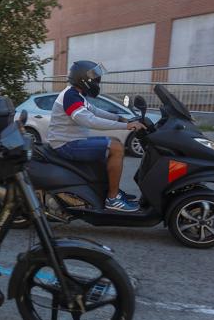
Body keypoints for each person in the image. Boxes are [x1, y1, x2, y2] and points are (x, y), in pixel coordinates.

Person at [47, 60, 146, 212]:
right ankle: (112, 199)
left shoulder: (76, 95)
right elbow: (89, 120)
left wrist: (121, 118)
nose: (97, 82)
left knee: (114, 142)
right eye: (95, 79)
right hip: (66, 145)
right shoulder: (70, 96)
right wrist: (125, 126)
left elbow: (95, 111)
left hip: (73, 141)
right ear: (83, 79)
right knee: (117, 148)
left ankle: (111, 191)